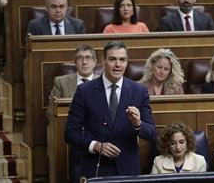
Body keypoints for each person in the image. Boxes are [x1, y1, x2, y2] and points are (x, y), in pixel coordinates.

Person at [65, 41, 156, 178]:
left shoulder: (139, 91)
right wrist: (95, 146)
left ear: (126, 62)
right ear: (103, 61)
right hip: (95, 169)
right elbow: (70, 134)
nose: (118, 64)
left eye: (122, 60)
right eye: (112, 59)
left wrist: (138, 124)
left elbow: (151, 134)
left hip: (127, 171)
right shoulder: (85, 91)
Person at [48, 45, 98, 183]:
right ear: (75, 62)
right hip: (69, 135)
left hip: (97, 135)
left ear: (95, 62)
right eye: (80, 58)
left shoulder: (104, 81)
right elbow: (50, 112)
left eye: (88, 58)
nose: (84, 62)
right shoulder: (61, 82)